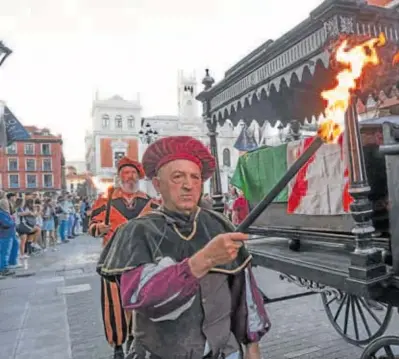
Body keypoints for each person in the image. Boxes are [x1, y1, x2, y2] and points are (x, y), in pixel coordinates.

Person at [97, 136, 270, 359]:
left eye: (195, 177)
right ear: (158, 184)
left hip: (224, 352)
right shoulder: (137, 231)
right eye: (178, 177)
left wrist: (252, 347)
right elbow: (139, 296)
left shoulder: (219, 224)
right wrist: (203, 261)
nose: (188, 185)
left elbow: (243, 291)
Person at [89, 157, 159, 359]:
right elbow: (93, 226)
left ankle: (136, 339)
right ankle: (117, 346)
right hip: (114, 258)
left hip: (142, 258)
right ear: (119, 177)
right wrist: (99, 229)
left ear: (138, 177)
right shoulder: (105, 201)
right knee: (114, 304)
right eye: (125, 174)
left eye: (133, 174)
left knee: (142, 299)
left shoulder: (148, 201)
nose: (129, 177)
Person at [0, 199, 15, 276]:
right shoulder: (2, 213)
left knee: (4, 252)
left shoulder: (4, 213)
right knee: (5, 252)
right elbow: (6, 224)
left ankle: (4, 268)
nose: (8, 205)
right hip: (5, 235)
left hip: (6, 235)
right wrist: (13, 220)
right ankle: (3, 269)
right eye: (6, 204)